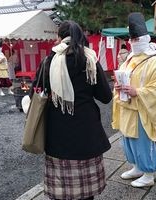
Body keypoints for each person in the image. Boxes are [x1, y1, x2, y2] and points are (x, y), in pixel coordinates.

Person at [29, 20, 112, 200]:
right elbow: (106, 96)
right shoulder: (89, 59)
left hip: (58, 135)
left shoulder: (49, 61)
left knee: (61, 192)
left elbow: (34, 93)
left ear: (59, 38)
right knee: (86, 194)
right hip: (87, 133)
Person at [112, 12, 156, 188]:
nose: (134, 41)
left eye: (137, 38)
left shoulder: (155, 61)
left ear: (145, 38)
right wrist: (119, 86)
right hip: (128, 107)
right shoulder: (130, 58)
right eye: (132, 38)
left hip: (143, 109)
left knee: (143, 142)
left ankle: (148, 173)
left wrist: (138, 91)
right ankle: (136, 167)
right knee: (129, 140)